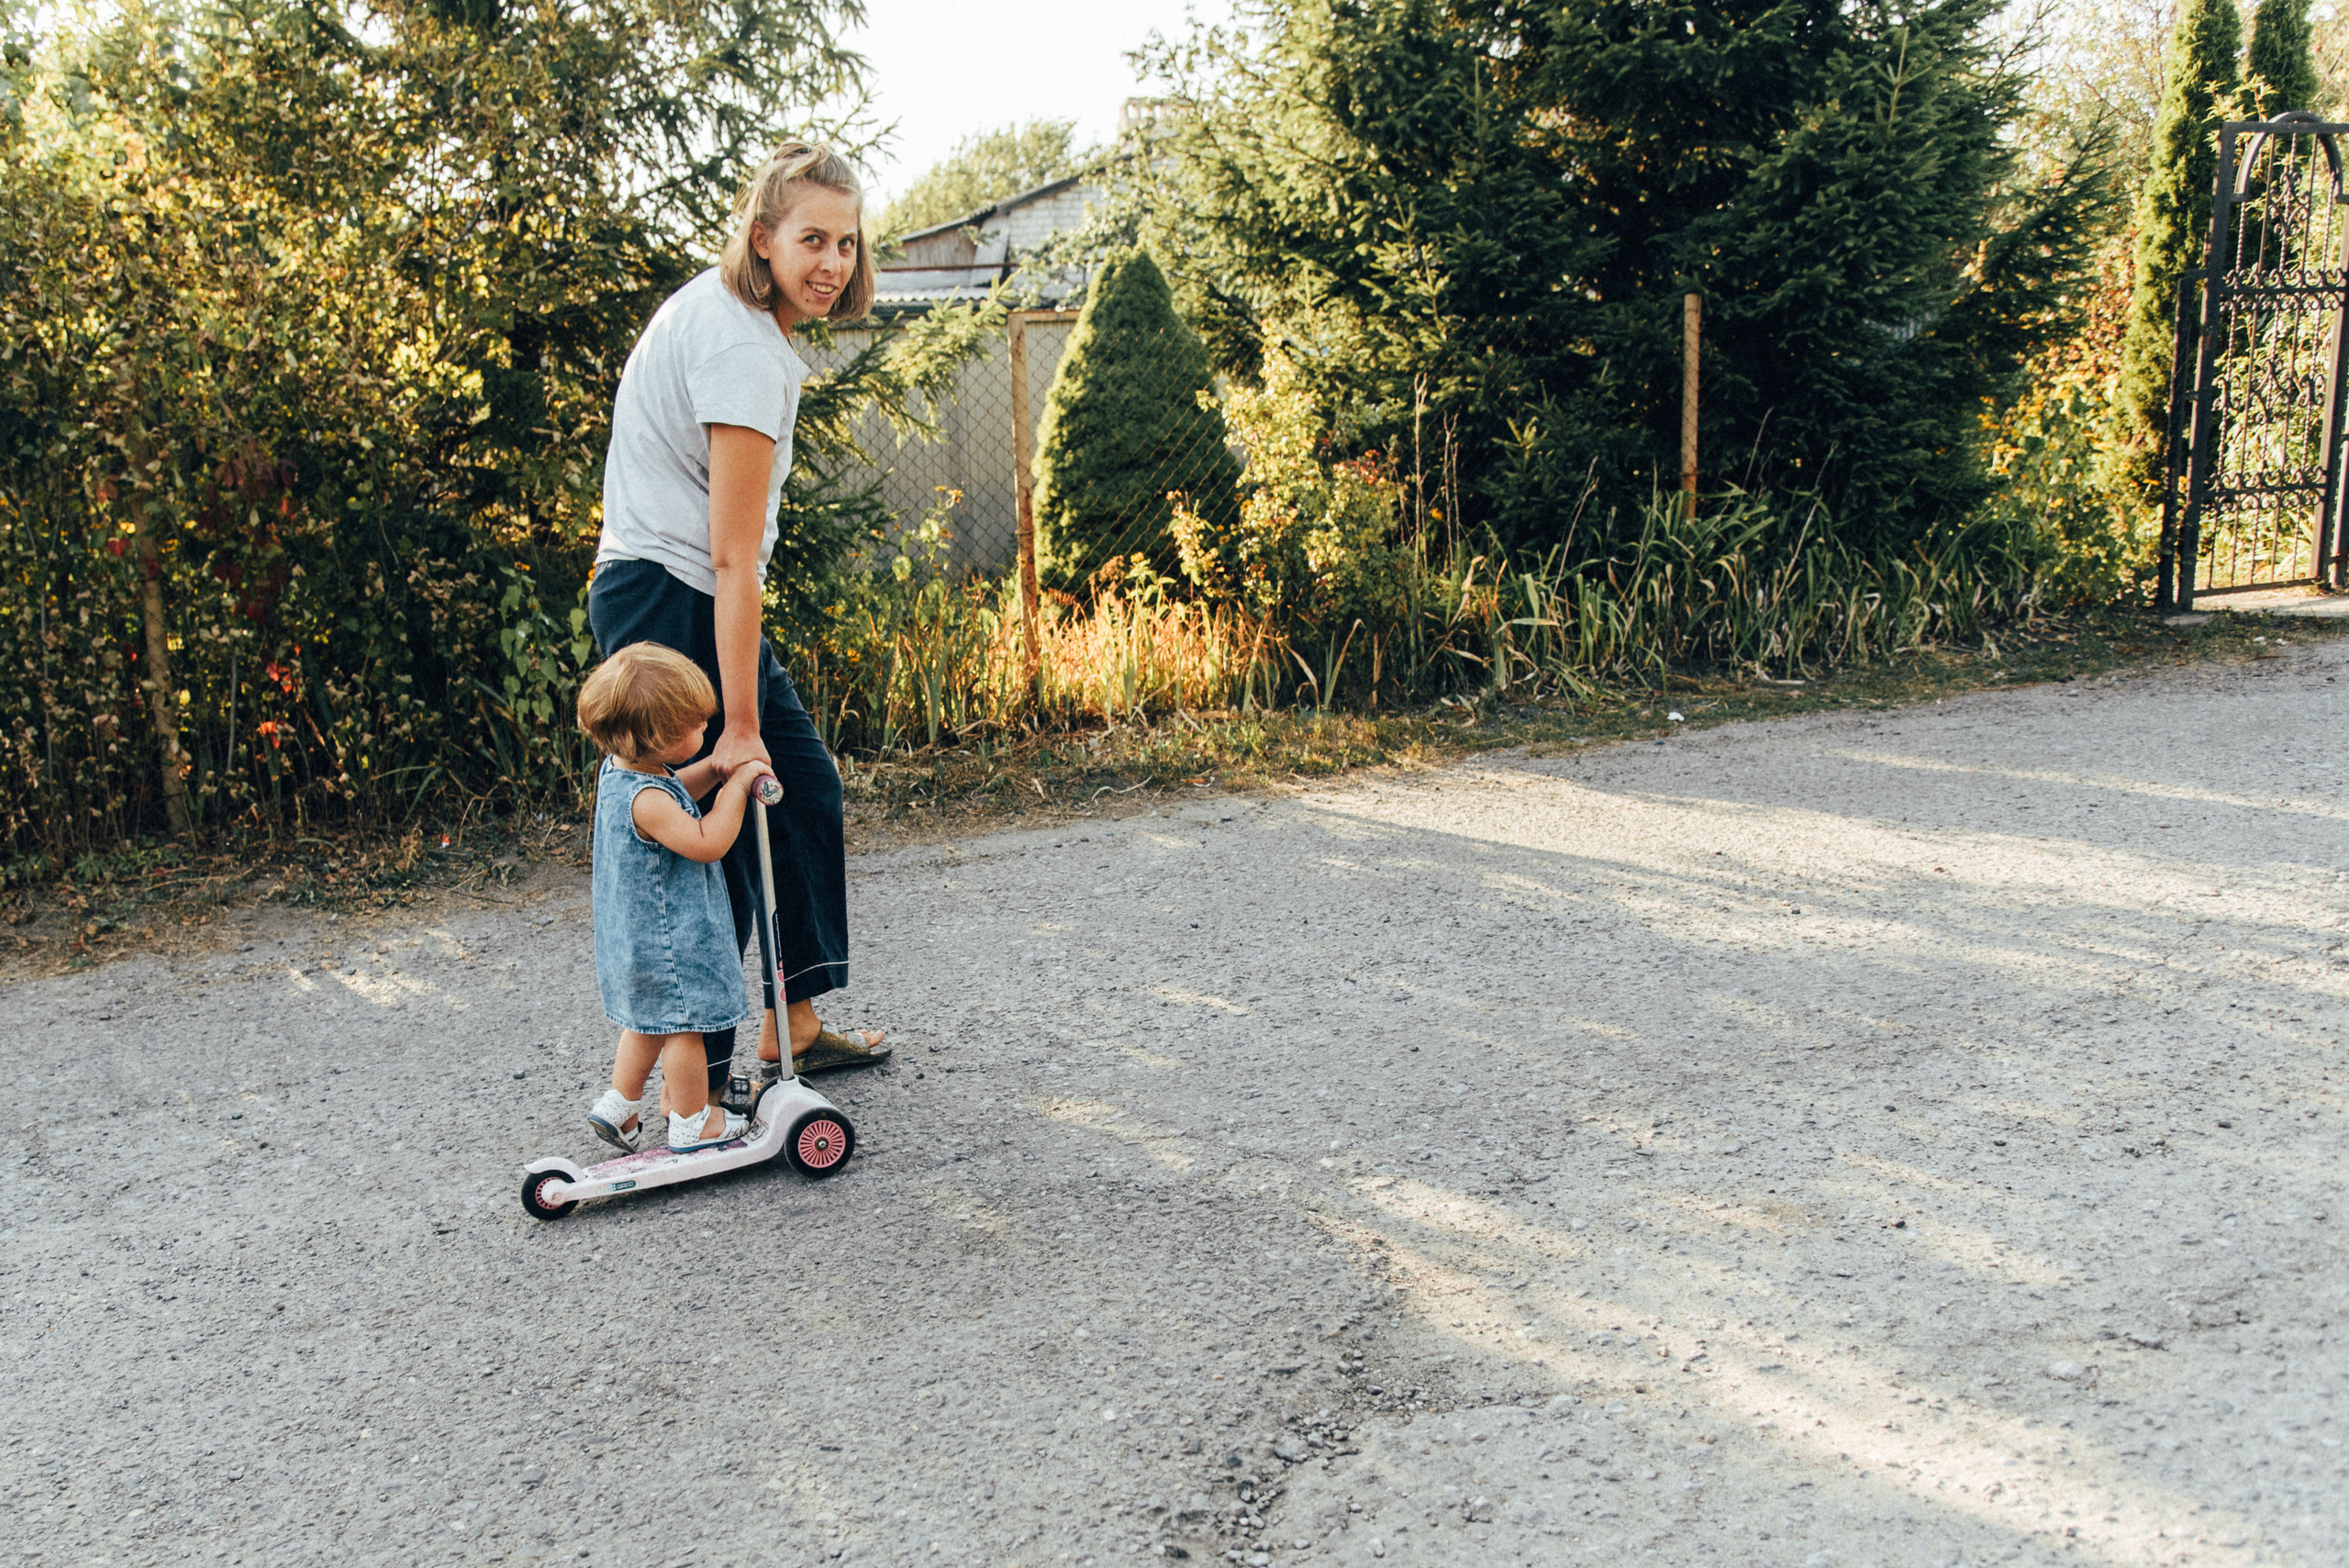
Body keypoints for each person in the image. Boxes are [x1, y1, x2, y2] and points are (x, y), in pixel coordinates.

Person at [588, 140, 889, 1101]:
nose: (831, 263)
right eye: (811, 239)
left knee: (799, 792)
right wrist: (742, 723)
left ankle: (789, 1021)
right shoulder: (745, 350)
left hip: (668, 588)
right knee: (717, 815)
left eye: (844, 242)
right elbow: (732, 554)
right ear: (762, 239)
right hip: (675, 596)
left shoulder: (728, 320)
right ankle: (700, 1078)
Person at [574, 643, 764, 1152]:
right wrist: (737, 789)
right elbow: (707, 842)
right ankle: (691, 1121)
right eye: (696, 726)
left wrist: (716, 771)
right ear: (658, 737)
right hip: (670, 941)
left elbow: (677, 788)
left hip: (637, 942)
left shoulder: (625, 774)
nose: (705, 730)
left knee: (648, 1023)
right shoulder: (650, 800)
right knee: (686, 1028)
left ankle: (620, 1105)